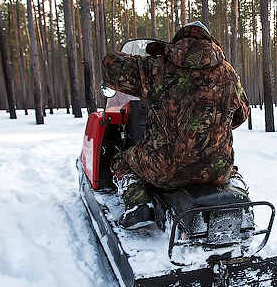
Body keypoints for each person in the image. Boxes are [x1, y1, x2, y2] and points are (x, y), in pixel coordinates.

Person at [101, 22, 250, 228]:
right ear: (210, 43)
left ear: (178, 41)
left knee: (122, 160)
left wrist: (161, 52)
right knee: (230, 168)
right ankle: (241, 199)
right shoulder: (228, 73)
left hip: (164, 169)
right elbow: (241, 115)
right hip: (216, 170)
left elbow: (111, 63)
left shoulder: (156, 68)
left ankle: (138, 205)